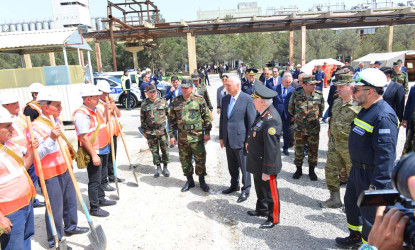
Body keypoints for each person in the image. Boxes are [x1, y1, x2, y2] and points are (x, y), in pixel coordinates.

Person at [335, 68, 399, 248]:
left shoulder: (383, 116)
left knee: (371, 218)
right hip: (357, 171)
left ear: (369, 91)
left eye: (355, 89)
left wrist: (377, 185)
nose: (352, 92)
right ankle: (354, 236)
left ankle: (369, 246)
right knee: (352, 206)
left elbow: (386, 156)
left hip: (372, 176)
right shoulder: (365, 109)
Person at [32, 89, 89, 248]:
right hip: (49, 173)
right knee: (54, 207)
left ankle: (71, 225)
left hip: (65, 167)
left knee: (70, 199)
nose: (60, 109)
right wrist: (51, 138)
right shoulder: (35, 127)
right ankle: (54, 240)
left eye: (60, 105)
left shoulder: (57, 121)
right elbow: (40, 153)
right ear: (45, 108)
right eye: (57, 106)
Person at [73, 84, 116, 218]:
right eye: (95, 97)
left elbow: (102, 123)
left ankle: (101, 198)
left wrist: (107, 112)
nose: (98, 98)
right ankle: (94, 207)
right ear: (87, 99)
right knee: (94, 179)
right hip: (95, 151)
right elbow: (84, 137)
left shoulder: (95, 110)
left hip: (103, 148)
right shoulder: (81, 114)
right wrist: (93, 155)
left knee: (101, 177)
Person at [320, 73, 361, 208]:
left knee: (354, 176)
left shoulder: (358, 105)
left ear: (351, 87)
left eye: (341, 87)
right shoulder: (337, 102)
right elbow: (333, 121)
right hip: (334, 144)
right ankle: (335, 199)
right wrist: (329, 136)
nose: (337, 89)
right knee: (330, 171)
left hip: (350, 147)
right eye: (337, 87)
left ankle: (354, 203)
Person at [0, 107, 38, 250]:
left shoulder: (9, 145)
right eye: (7, 126)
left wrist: (30, 150)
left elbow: (24, 167)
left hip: (26, 203)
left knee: (25, 239)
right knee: (14, 246)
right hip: (9, 212)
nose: (13, 129)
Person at [246, 81, 282, 229]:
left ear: (261, 101)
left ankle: (273, 217)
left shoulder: (271, 119)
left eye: (255, 99)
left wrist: (268, 170)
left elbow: (272, 148)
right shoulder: (263, 113)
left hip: (266, 163)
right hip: (257, 161)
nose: (253, 101)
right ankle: (261, 209)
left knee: (269, 192)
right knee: (260, 188)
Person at [168, 80, 212, 192]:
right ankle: (189, 180)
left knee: (200, 158)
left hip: (197, 136)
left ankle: (202, 181)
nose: (183, 90)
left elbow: (207, 117)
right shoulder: (175, 101)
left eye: (186, 88)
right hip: (182, 137)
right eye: (182, 88)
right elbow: (171, 120)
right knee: (184, 159)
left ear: (191, 88)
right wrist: (172, 135)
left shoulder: (199, 100)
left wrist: (207, 133)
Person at [219, 76, 256, 203]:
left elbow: (251, 122)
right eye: (226, 84)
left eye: (229, 85)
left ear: (237, 86)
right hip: (228, 138)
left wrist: (248, 141)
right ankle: (234, 184)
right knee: (232, 165)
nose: (226, 87)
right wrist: (221, 137)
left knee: (244, 166)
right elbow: (223, 119)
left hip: (241, 139)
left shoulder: (247, 99)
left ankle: (246, 189)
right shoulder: (225, 99)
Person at [288, 75, 324, 181]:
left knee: (313, 151)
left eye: (315, 84)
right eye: (311, 84)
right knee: (298, 150)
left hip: (314, 129)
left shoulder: (319, 95)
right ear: (304, 84)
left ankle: (311, 171)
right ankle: (298, 170)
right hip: (299, 129)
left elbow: (321, 109)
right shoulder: (295, 95)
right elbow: (291, 110)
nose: (314, 86)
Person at [96, 80, 123, 190]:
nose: (107, 95)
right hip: (103, 135)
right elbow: (101, 120)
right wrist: (108, 110)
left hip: (113, 133)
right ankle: (104, 179)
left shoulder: (109, 102)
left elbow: (119, 114)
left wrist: (114, 107)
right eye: (104, 93)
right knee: (106, 158)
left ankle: (112, 175)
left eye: (108, 93)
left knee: (113, 156)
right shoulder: (97, 104)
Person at [22, 82, 45, 208]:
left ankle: (40, 188)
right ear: (35, 94)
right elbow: (28, 127)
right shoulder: (30, 109)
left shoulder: (41, 106)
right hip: (34, 143)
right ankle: (33, 198)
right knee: (33, 173)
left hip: (43, 141)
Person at [141, 84, 170, 177]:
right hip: (150, 131)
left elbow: (169, 115)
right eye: (150, 92)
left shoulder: (163, 101)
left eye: (154, 92)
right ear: (147, 94)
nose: (153, 94)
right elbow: (142, 118)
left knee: (165, 149)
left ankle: (165, 167)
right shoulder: (144, 103)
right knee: (154, 150)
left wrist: (171, 130)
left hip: (162, 130)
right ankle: (158, 167)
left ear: (156, 92)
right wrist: (144, 131)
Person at [272, 74, 295, 156]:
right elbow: (271, 102)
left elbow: (294, 104)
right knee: (276, 132)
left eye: (289, 82)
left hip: (287, 114)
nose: (288, 84)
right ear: (282, 81)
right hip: (276, 114)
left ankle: (285, 148)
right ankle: (275, 148)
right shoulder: (274, 88)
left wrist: (293, 115)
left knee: (286, 132)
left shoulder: (292, 89)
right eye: (286, 82)